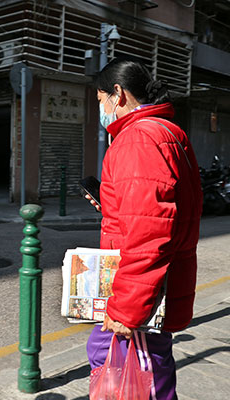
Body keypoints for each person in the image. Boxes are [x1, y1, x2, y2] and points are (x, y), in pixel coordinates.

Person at [86, 58, 203, 400]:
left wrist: (127, 308)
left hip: (141, 295)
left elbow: (150, 232)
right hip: (157, 285)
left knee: (135, 373)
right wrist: (111, 204)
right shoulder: (166, 131)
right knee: (149, 371)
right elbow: (158, 212)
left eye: (101, 101)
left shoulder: (138, 138)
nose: (102, 110)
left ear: (118, 94)